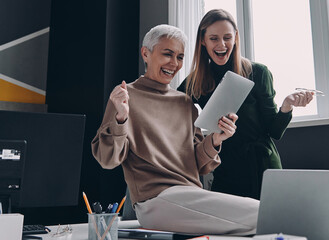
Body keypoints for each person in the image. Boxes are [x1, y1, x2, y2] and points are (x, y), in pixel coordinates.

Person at [92, 24, 259, 235]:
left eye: (180, 57)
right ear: (146, 53)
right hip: (154, 202)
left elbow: (199, 165)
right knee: (263, 214)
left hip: (189, 195)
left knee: (261, 215)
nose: (174, 63)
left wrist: (217, 138)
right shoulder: (126, 97)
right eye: (167, 54)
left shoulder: (185, 102)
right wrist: (121, 118)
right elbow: (108, 159)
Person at [178, 9, 314, 199]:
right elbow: (171, 109)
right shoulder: (195, 81)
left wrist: (287, 106)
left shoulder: (258, 72)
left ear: (235, 37)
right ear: (203, 40)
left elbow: (274, 131)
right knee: (225, 225)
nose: (222, 44)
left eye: (227, 37)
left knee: (270, 225)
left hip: (263, 167)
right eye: (214, 38)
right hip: (226, 167)